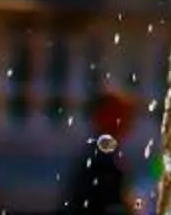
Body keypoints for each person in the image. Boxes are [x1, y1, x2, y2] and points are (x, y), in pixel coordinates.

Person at [58, 85, 138, 215]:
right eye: (119, 114)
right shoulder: (101, 159)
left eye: (128, 115)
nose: (126, 120)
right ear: (100, 116)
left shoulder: (98, 153)